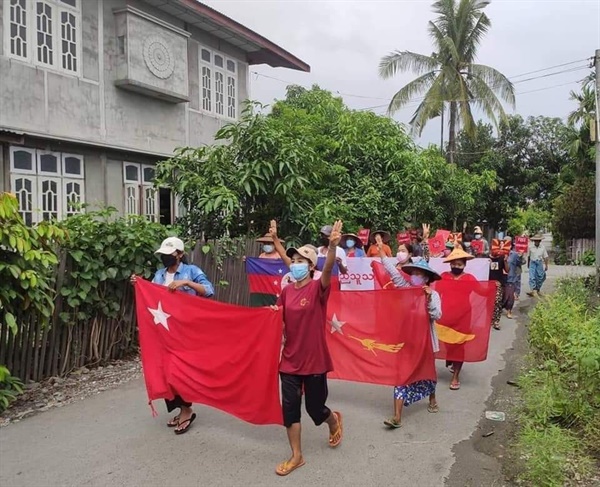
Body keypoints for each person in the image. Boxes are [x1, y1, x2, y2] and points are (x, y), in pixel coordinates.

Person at [273, 221, 344, 477]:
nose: (296, 263)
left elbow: (326, 271)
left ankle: (332, 420)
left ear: (311, 266)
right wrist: (276, 241)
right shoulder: (286, 291)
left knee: (315, 409)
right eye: (293, 259)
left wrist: (333, 249)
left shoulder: (318, 288)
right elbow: (275, 317)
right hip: (289, 361)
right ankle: (297, 455)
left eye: (301, 260)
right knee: (290, 409)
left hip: (314, 361)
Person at [131, 236, 214, 435]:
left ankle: (187, 409)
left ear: (179, 255)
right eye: (163, 255)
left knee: (180, 371)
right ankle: (180, 408)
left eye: (169, 254)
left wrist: (186, 283)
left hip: (185, 331)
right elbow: (150, 295)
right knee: (165, 371)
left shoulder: (191, 271)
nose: (165, 258)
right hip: (164, 332)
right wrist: (138, 283)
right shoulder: (159, 274)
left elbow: (209, 290)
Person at [378, 241, 442, 428]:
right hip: (406, 341)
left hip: (426, 343)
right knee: (401, 375)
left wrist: (429, 299)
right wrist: (382, 251)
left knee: (427, 373)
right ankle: (397, 416)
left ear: (427, 278)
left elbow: (437, 315)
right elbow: (392, 272)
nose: (415, 277)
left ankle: (432, 398)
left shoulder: (433, 295)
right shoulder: (405, 287)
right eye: (413, 273)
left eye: (419, 275)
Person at [440, 247, 477, 391]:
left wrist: (494, 286)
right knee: (449, 343)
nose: (456, 266)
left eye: (459, 264)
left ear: (464, 265)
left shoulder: (469, 278)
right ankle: (450, 359)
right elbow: (436, 292)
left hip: (463, 317)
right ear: (450, 264)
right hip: (446, 315)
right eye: (453, 264)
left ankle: (456, 375)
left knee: (459, 345)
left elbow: (482, 291)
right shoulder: (443, 276)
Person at [489, 250, 509, 330]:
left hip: (498, 283)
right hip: (488, 284)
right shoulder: (486, 258)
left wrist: (505, 261)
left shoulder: (501, 258)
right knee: (489, 303)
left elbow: (507, 270)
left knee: (497, 301)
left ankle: (496, 321)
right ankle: (489, 320)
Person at [506, 243, 525, 317]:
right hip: (503, 278)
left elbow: (521, 262)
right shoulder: (500, 253)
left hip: (513, 275)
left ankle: (509, 310)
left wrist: (520, 256)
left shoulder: (514, 254)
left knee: (511, 295)